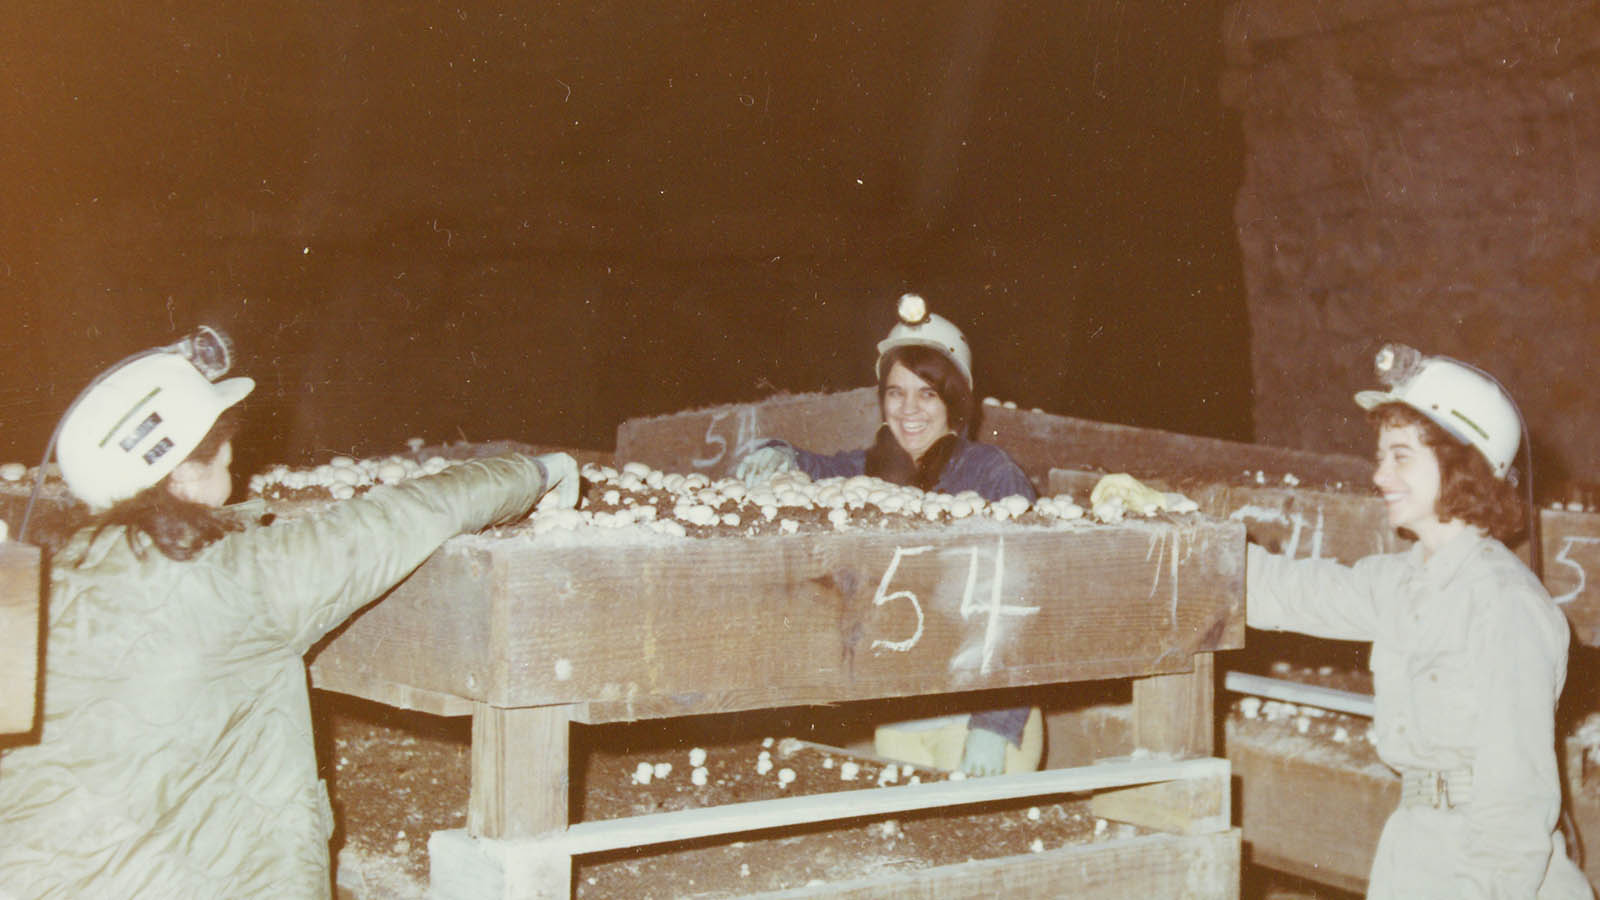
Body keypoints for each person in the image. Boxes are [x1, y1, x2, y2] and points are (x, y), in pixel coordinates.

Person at [0, 328, 578, 900]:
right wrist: (538, 472)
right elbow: (406, 514)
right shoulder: (239, 583)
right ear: (182, 474)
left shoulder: (54, 572)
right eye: (224, 449)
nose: (235, 456)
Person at [1246, 344, 1591, 899]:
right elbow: (1287, 593)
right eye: (1381, 456)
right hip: (1416, 851)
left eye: (1401, 456)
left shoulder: (1506, 607)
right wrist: (1181, 539)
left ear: (1462, 465)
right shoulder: (1401, 582)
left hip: (1491, 873)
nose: (1380, 475)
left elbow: (1515, 807)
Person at [735, 294, 1041, 777]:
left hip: (981, 713)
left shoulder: (991, 474)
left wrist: (995, 725)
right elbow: (816, 466)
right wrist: (774, 453)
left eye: (928, 393)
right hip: (905, 713)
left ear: (954, 402)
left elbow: (1021, 604)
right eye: (896, 392)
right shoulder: (873, 468)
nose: (909, 409)